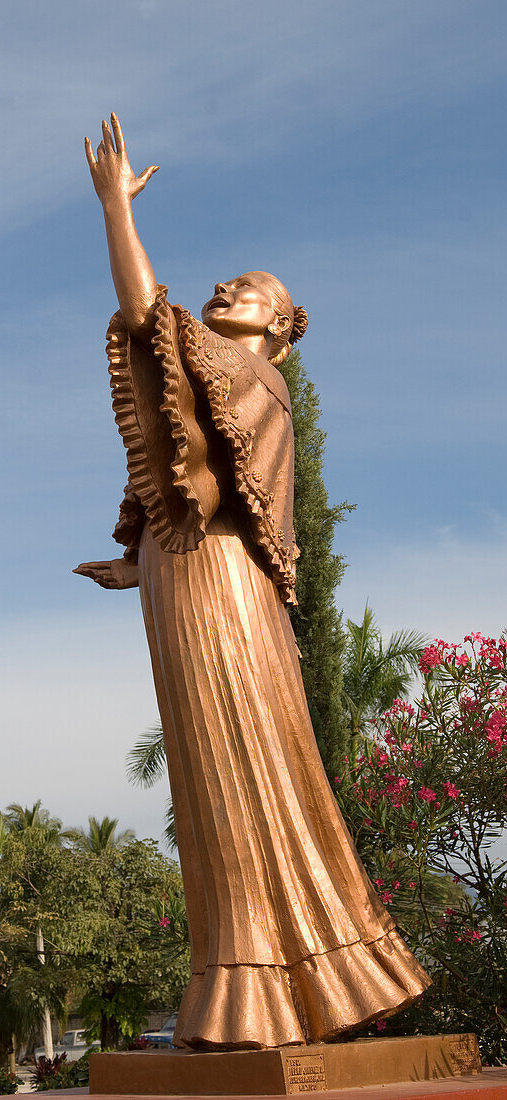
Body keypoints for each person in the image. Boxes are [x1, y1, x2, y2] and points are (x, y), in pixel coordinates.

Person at [75, 115, 429, 1050]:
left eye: (252, 290)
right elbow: (194, 476)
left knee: (238, 767)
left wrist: (115, 208)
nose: (227, 287)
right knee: (210, 779)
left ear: (275, 328)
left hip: (217, 590)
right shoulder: (238, 379)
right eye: (231, 282)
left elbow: (153, 324)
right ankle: (283, 981)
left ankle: (269, 984)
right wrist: (138, 556)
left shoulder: (251, 378)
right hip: (185, 580)